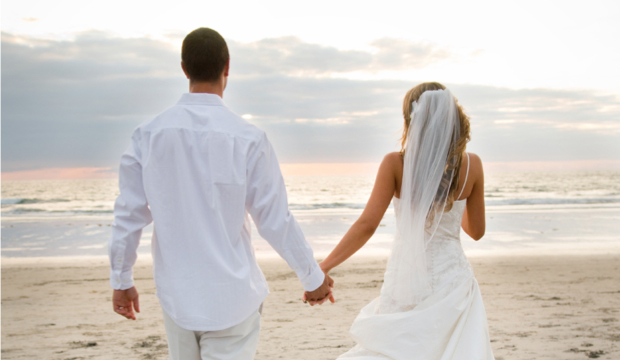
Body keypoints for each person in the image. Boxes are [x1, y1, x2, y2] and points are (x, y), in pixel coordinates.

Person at [108, 27, 334, 360]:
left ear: (184, 68)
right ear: (227, 66)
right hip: (234, 295)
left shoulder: (148, 136)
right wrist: (312, 276)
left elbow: (129, 214)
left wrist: (121, 277)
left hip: (178, 296)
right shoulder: (248, 138)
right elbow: (274, 219)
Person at [310, 82, 495, 359]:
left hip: (407, 278)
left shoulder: (395, 164)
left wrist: (322, 266)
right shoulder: (473, 165)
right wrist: (452, 204)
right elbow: (476, 231)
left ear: (412, 120)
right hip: (453, 280)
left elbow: (366, 225)